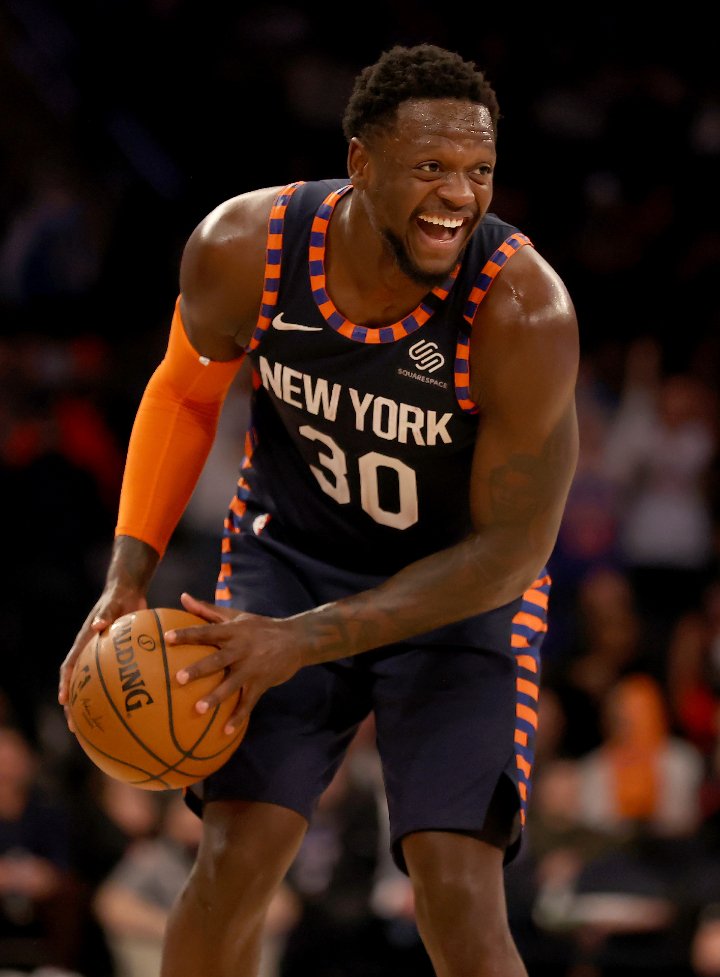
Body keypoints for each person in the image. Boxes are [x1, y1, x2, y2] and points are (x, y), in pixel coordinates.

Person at [59, 43, 579, 977]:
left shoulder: (521, 311)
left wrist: (304, 640)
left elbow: (510, 552)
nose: (459, 195)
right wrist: (126, 577)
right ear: (361, 163)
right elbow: (183, 393)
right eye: (431, 168)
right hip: (290, 554)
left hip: (460, 595)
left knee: (456, 888)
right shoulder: (246, 248)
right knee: (235, 857)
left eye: (478, 171)